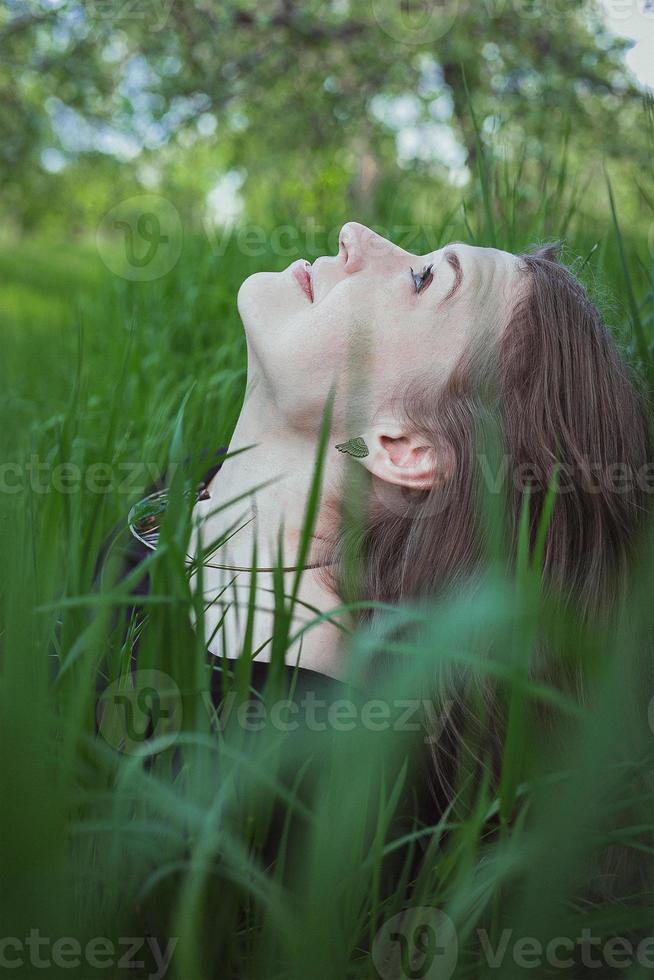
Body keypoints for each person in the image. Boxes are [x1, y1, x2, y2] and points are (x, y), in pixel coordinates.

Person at [190, 221, 652, 682]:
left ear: (405, 449)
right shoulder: (196, 482)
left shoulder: (270, 721)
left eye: (422, 279)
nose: (353, 233)